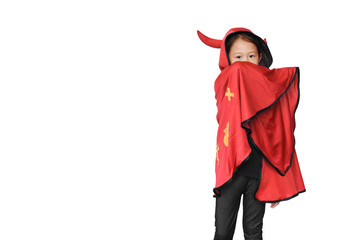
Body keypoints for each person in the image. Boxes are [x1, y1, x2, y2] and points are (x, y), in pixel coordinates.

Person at [197, 28, 306, 240]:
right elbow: (236, 76)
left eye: (251, 56)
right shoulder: (227, 80)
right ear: (227, 60)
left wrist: (276, 183)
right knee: (223, 232)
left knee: (254, 232)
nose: (245, 63)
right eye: (238, 57)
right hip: (231, 173)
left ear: (260, 58)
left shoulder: (269, 94)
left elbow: (279, 138)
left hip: (259, 176)